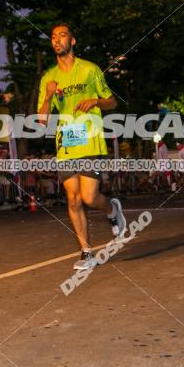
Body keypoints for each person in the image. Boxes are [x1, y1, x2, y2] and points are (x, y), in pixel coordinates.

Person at [37, 23, 127, 271]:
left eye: (62, 35)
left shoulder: (90, 69)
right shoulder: (49, 78)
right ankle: (86, 253)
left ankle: (112, 209)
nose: (57, 40)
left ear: (72, 41)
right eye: (53, 37)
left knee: (89, 197)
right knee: (73, 199)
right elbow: (42, 120)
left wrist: (95, 101)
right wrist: (47, 96)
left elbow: (112, 102)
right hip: (66, 144)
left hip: (89, 140)